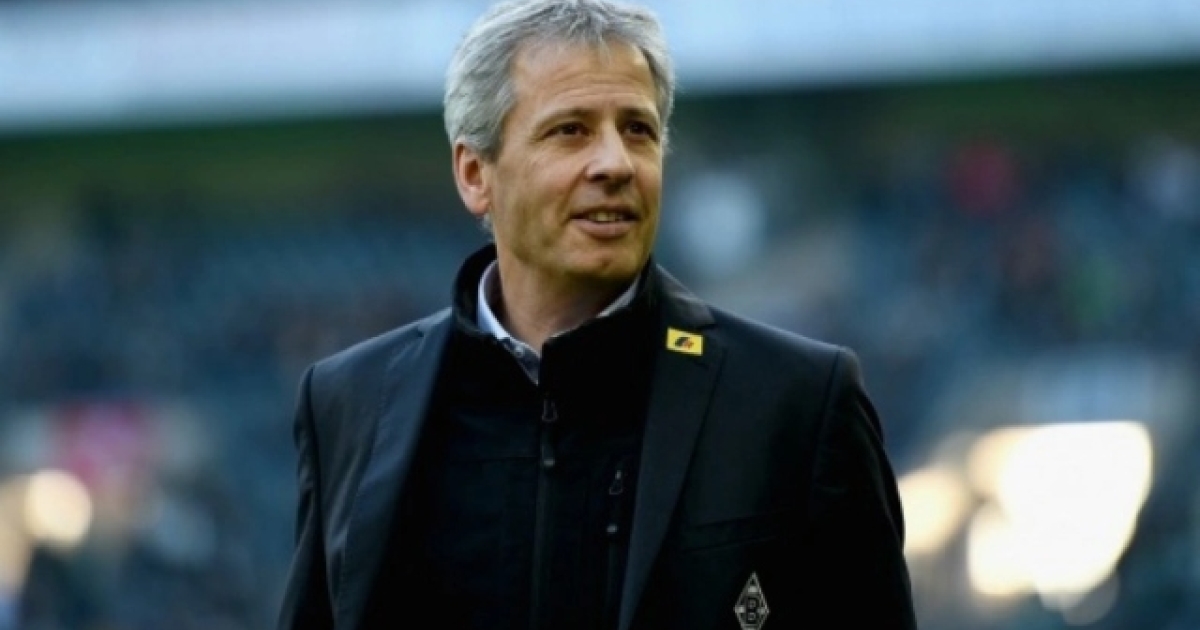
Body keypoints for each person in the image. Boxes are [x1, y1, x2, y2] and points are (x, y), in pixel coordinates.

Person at [277, 1, 917, 628]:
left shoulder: (798, 403)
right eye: (570, 130)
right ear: (475, 174)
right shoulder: (351, 404)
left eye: (638, 130)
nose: (615, 163)